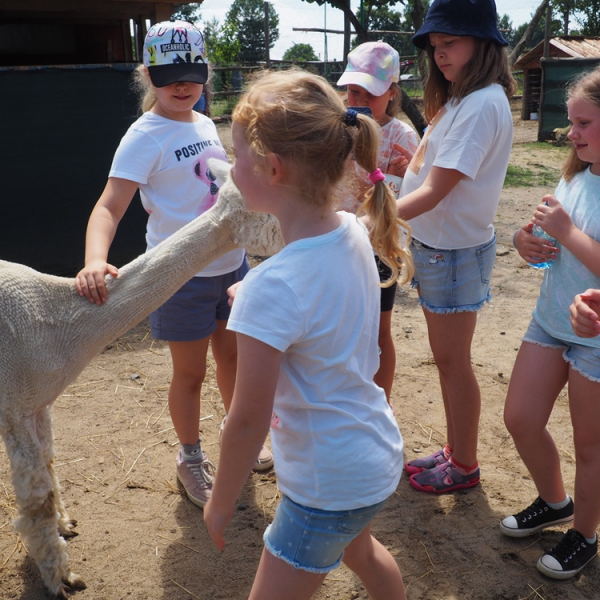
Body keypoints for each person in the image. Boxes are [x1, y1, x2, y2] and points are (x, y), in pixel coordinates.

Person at [203, 68, 413, 600]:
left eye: (236, 157)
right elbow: (315, 307)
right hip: (372, 457)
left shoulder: (272, 286)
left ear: (272, 169)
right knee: (362, 551)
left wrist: (221, 501)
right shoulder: (354, 230)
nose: (231, 168)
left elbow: (247, 419)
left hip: (325, 484)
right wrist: (257, 302)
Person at [74, 20, 273, 510]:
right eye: (168, 77)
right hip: (181, 275)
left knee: (234, 359)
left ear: (205, 73)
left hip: (231, 265)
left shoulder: (204, 122)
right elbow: (109, 206)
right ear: (147, 75)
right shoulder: (144, 135)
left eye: (191, 75)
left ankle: (238, 435)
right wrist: (95, 260)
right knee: (190, 374)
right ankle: (190, 457)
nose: (181, 86)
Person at [395, 0, 516, 493]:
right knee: (448, 361)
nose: (440, 53)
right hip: (441, 247)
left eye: (450, 43)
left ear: (482, 44)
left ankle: (464, 464)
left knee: (453, 362)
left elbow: (435, 190)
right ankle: (455, 450)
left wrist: (369, 222)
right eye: (435, 46)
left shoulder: (482, 103)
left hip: (451, 252)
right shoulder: (464, 98)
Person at [500, 67, 600, 579]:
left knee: (590, 446)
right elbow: (547, 241)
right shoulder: (576, 175)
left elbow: (575, 239)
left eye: (583, 123)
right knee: (519, 418)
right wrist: (526, 242)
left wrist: (566, 232)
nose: (571, 132)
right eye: (571, 121)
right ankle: (555, 501)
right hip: (550, 319)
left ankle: (584, 535)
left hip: (596, 338)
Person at [336, 41, 419, 402]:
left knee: (378, 329)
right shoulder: (338, 128)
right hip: (338, 239)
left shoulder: (402, 137)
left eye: (369, 93)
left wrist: (403, 174)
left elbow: (401, 199)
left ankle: (379, 405)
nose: (358, 99)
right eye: (353, 90)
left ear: (392, 93)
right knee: (339, 325)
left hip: (379, 246)